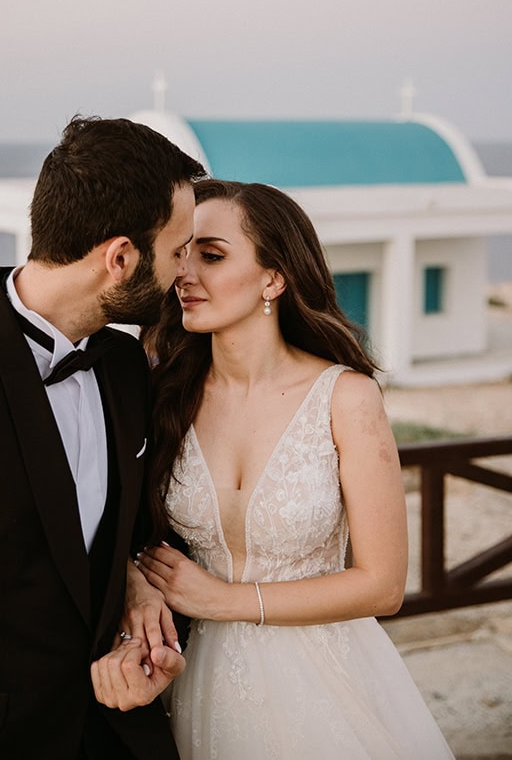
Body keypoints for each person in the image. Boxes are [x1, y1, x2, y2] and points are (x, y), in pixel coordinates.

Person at [0, 116, 206, 760]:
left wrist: (136, 581)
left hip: (115, 734)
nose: (185, 270)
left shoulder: (129, 368)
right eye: (178, 249)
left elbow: (122, 540)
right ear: (121, 258)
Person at [136, 179, 455, 759]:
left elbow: (384, 585)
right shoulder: (164, 395)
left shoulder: (346, 398)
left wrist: (224, 601)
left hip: (325, 686)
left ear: (273, 278)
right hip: (195, 682)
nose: (186, 272)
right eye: (181, 253)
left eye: (211, 254)